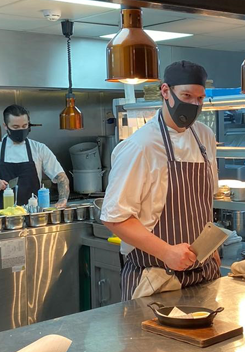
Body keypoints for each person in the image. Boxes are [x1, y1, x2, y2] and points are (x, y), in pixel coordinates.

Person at [101, 61, 220, 301]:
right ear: (166, 92)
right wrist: (167, 252)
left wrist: (212, 247)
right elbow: (115, 218)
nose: (194, 105)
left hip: (204, 276)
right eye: (187, 95)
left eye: (200, 99)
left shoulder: (205, 137)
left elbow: (204, 204)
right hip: (156, 280)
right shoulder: (140, 146)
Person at [0, 104, 69, 209]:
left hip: (31, 213)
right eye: (15, 127)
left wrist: (62, 200)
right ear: (5, 126)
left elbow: (61, 177)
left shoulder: (39, 148)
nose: (21, 130)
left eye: (24, 126)